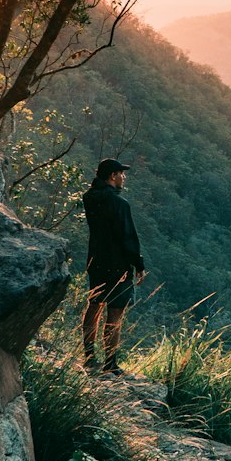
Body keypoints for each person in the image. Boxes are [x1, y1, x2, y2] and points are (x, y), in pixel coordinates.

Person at [81, 158, 145, 375]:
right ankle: (110, 363)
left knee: (94, 305)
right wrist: (139, 264)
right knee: (115, 313)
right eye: (121, 174)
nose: (123, 177)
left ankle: (89, 356)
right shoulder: (119, 204)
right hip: (118, 265)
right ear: (112, 176)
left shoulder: (89, 198)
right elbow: (127, 237)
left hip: (96, 261)